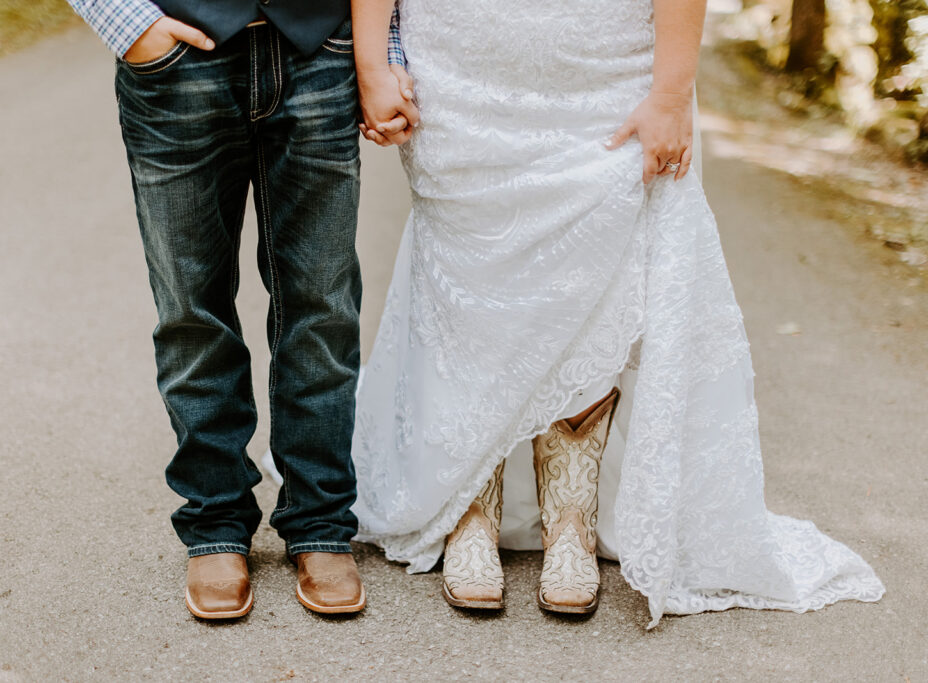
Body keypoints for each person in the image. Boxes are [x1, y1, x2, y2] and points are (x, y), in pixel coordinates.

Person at [350, 0, 886, 625]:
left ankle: (570, 521)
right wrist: (373, 63)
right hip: (458, 67)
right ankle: (469, 509)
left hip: (603, 63)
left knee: (596, 271)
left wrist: (671, 93)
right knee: (469, 273)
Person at [66, 0, 413, 619]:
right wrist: (129, 24)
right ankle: (215, 522)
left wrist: (380, 58)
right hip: (176, 64)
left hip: (321, 52)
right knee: (191, 312)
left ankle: (320, 522)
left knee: (323, 309)